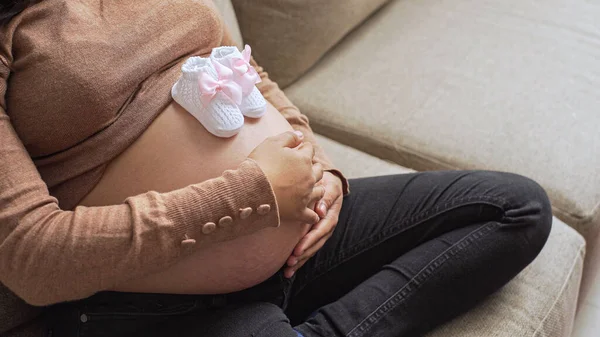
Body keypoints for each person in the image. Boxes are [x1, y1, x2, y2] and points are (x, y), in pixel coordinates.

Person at [0, 1, 552, 336]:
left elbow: (242, 69)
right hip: (153, 304)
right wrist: (254, 193)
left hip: (298, 241)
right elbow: (32, 257)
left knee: (515, 209)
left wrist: (321, 168)